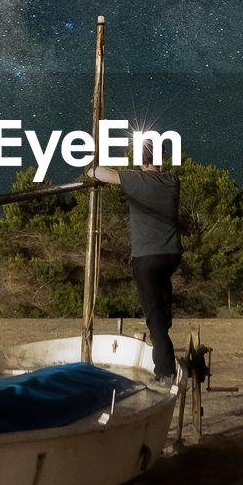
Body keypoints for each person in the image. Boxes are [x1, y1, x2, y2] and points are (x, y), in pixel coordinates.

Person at [90, 142, 182, 387]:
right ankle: (164, 332)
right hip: (171, 255)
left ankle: (165, 371)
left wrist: (93, 168)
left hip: (146, 258)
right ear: (161, 160)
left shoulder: (136, 180)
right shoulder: (173, 182)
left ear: (142, 162)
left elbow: (97, 173)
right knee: (161, 305)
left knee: (154, 318)